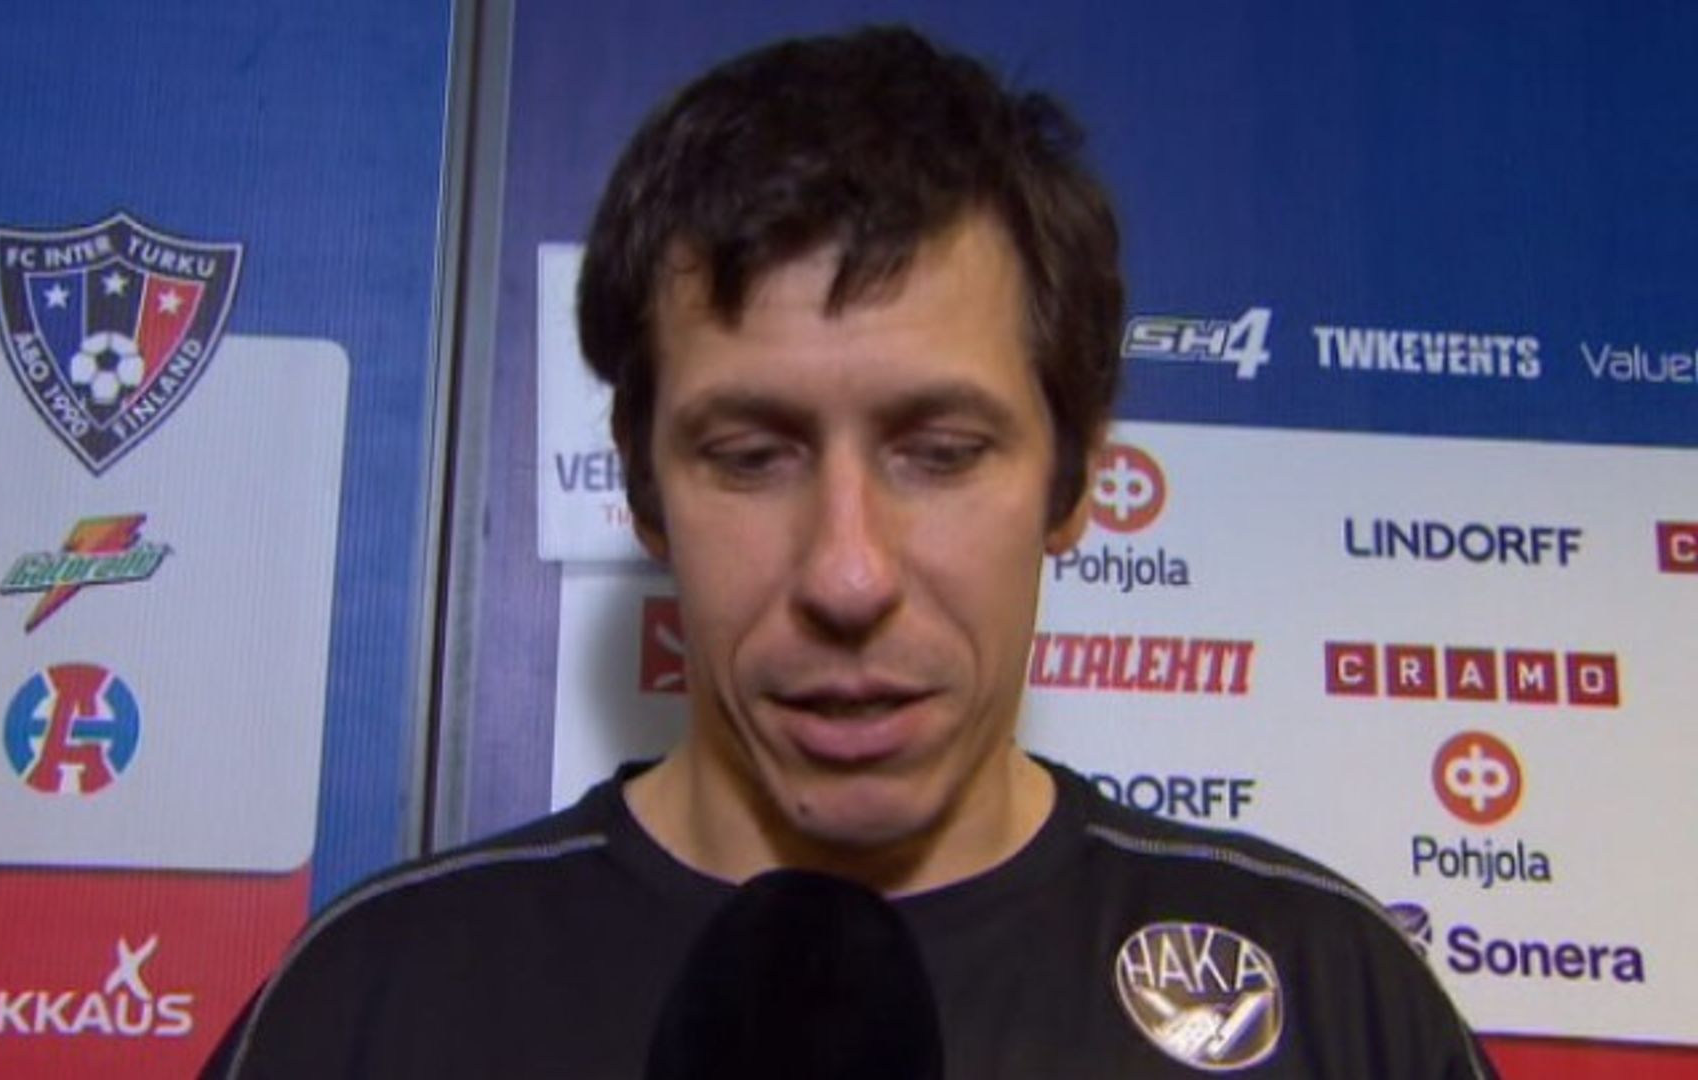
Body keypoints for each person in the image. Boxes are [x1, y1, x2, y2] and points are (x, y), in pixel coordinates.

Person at [214, 25, 1497, 1078]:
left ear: (1072, 480)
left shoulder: (1336, 1007)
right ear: (643, 486)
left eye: (939, 452)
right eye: (750, 455)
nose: (847, 574)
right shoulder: (368, 1009)